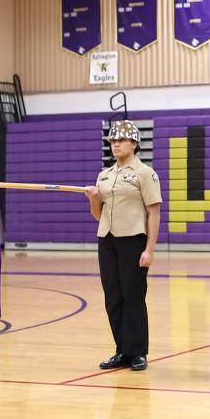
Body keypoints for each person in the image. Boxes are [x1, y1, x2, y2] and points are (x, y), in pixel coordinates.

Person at [84, 119, 162, 373]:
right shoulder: (104, 175)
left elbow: (154, 213)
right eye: (112, 141)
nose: (115, 144)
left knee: (133, 297)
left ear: (134, 144)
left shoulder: (144, 173)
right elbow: (98, 214)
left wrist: (149, 249)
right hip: (107, 239)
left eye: (120, 140)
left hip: (132, 239)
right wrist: (94, 198)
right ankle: (122, 350)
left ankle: (138, 351)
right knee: (113, 297)